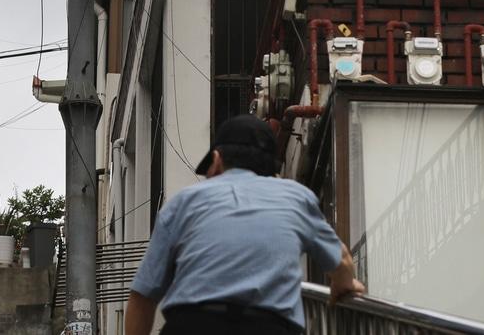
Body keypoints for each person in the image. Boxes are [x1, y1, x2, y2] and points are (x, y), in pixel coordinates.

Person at [125, 114, 366, 335]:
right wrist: (343, 284)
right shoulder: (295, 197)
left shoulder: (184, 201)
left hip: (192, 325)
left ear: (217, 161)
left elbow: (143, 295)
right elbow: (342, 261)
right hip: (270, 327)